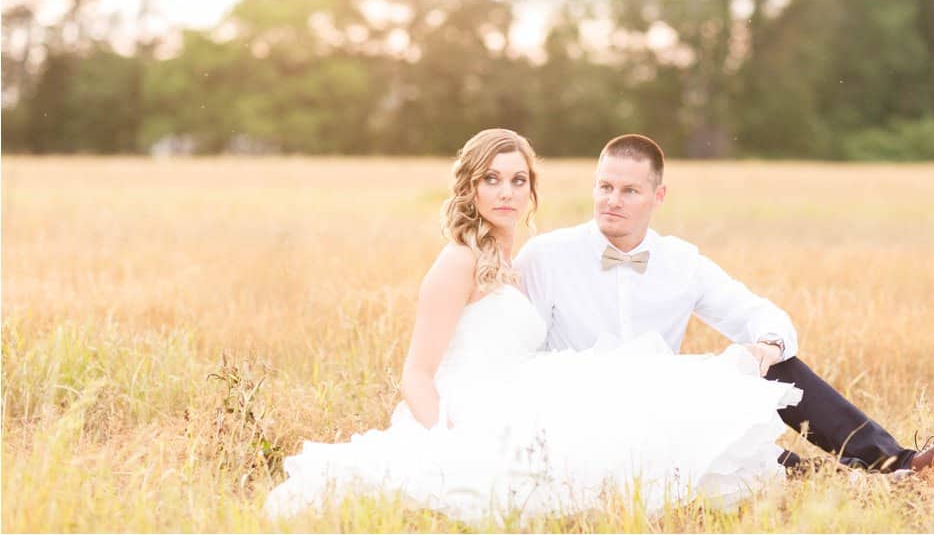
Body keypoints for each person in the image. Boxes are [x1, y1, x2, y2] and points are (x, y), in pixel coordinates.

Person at [264, 128, 803, 525]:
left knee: (637, 405)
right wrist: (448, 444)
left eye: (518, 180)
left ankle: (803, 462)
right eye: (492, 179)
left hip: (524, 390)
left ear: (531, 190)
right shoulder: (458, 261)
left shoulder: (518, 260)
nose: (506, 192)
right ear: (470, 188)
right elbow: (416, 375)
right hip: (470, 409)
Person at [514, 133, 934, 478]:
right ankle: (856, 481)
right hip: (581, 414)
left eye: (629, 190)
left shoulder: (681, 261)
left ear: (658, 196)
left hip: (662, 406)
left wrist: (764, 348)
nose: (611, 201)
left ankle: (896, 463)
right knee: (733, 457)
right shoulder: (545, 256)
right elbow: (515, 358)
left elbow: (760, 314)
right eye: (604, 187)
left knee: (773, 366)